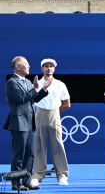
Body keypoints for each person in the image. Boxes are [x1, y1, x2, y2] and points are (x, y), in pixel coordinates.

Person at [4, 56, 50, 191]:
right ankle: (16, 182)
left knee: (30, 154)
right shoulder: (11, 83)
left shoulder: (28, 83)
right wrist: (35, 89)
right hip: (19, 123)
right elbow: (21, 99)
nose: (29, 66)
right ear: (18, 67)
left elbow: (33, 99)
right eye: (26, 64)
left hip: (30, 122)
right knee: (19, 154)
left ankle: (26, 180)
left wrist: (43, 90)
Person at [30, 59, 71, 187]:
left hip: (54, 114)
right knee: (39, 146)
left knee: (58, 145)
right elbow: (32, 101)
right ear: (42, 69)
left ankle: (62, 175)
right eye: (46, 66)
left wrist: (55, 113)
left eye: (51, 67)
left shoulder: (60, 84)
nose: (49, 69)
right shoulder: (36, 84)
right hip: (40, 114)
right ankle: (37, 175)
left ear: (54, 69)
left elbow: (67, 103)